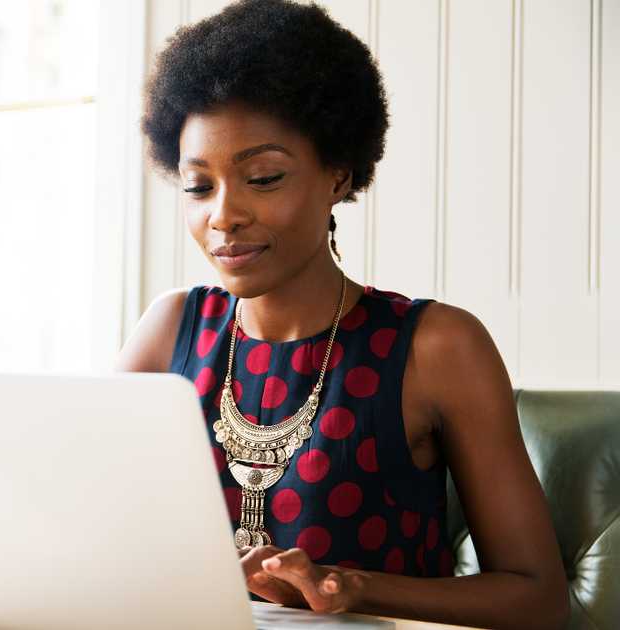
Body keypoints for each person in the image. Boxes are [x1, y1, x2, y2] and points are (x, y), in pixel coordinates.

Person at [115, 1, 568, 627]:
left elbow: (537, 598)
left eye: (264, 177)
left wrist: (352, 589)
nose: (223, 214)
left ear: (337, 175)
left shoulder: (436, 347)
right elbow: (90, 532)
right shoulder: (168, 332)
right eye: (198, 186)